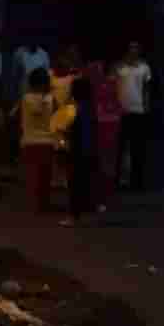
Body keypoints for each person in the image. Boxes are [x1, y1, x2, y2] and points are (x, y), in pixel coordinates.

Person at [115, 41, 152, 192]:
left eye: (136, 48)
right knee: (120, 148)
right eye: (131, 47)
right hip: (120, 112)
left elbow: (147, 89)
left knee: (138, 149)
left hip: (138, 111)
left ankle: (137, 183)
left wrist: (147, 107)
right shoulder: (119, 67)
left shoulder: (144, 67)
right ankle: (119, 181)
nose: (134, 50)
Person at [19, 67, 57, 212]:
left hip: (29, 141)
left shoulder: (25, 98)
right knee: (45, 177)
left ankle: (34, 204)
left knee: (32, 176)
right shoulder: (51, 99)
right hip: (47, 142)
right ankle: (43, 204)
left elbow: (18, 119)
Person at [63, 73, 97, 227]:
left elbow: (75, 130)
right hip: (87, 150)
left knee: (75, 184)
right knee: (84, 183)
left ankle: (73, 216)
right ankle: (83, 213)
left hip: (78, 150)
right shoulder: (89, 108)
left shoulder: (77, 109)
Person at [89, 62, 122, 212]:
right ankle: (102, 198)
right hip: (102, 126)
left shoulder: (108, 85)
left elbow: (116, 105)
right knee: (103, 164)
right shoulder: (97, 87)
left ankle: (103, 198)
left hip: (107, 127)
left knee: (105, 164)